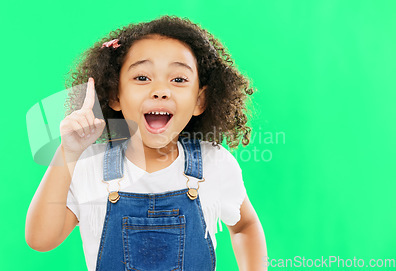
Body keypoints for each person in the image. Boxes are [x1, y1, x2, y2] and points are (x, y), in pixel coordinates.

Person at [25, 15, 267, 270]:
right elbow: (40, 239)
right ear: (114, 95)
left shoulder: (214, 163)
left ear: (200, 101)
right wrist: (68, 151)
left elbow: (244, 226)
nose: (160, 90)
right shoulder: (89, 166)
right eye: (142, 77)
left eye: (178, 79)